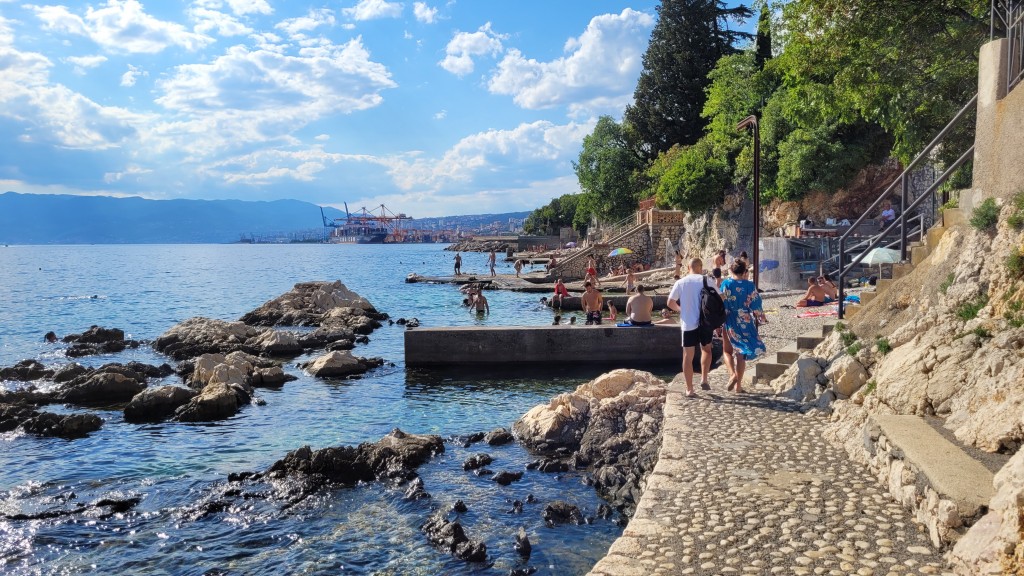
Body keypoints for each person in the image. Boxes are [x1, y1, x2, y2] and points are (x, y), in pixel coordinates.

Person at [667, 258, 715, 396]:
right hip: (705, 323)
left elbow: (670, 302)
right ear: (701, 267)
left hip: (688, 324)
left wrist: (681, 309)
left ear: (688, 267)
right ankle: (704, 379)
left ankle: (689, 389)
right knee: (706, 350)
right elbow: (721, 297)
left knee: (688, 356)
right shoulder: (707, 280)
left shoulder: (681, 282)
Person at [718, 260, 767, 393]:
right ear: (745, 272)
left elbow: (720, 302)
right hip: (745, 319)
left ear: (731, 270)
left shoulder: (726, 284)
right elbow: (756, 303)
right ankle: (738, 386)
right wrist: (760, 316)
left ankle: (732, 374)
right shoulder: (750, 285)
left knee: (727, 351)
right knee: (741, 352)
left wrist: (717, 322)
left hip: (729, 319)